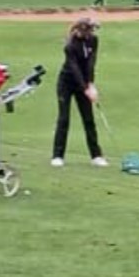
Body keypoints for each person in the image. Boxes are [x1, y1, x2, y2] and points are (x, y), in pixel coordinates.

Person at [53, 13, 104, 167]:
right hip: (66, 83)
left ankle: (96, 155)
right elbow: (73, 68)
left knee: (88, 119)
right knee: (64, 118)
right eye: (90, 30)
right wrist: (85, 88)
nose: (92, 33)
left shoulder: (93, 40)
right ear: (82, 30)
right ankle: (58, 156)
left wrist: (91, 85)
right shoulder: (70, 45)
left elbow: (91, 63)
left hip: (83, 82)